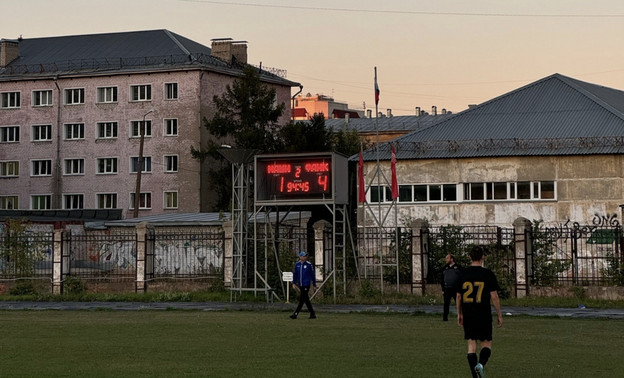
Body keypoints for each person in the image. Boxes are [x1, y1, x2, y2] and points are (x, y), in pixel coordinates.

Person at [456, 246, 503, 378]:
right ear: (483, 257)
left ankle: (475, 375)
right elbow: (494, 296)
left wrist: (459, 313)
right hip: (483, 313)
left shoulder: (463, 274)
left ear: (469, 257)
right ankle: (480, 365)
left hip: (468, 313)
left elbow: (459, 296)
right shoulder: (487, 274)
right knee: (486, 344)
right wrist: (499, 314)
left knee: (471, 345)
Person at [290, 251, 317, 319]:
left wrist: (314, 284)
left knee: (302, 299)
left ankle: (295, 314)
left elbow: (312, 275)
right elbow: (295, 274)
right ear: (300, 257)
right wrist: (294, 283)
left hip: (306, 284)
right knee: (305, 299)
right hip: (300, 284)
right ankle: (312, 314)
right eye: (304, 256)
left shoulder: (308, 265)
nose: (305, 257)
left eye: (306, 256)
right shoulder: (297, 264)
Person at [441, 253, 462, 321]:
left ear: (452, 259)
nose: (446, 260)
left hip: (456, 289)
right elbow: (442, 279)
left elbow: (462, 277)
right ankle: (445, 318)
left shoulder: (458, 267)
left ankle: (461, 316)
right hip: (447, 289)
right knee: (446, 303)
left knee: (459, 303)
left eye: (447, 258)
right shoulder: (445, 268)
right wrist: (443, 289)